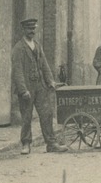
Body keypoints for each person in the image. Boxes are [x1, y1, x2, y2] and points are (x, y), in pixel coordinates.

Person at [10, 18, 67, 154]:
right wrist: (23, 90)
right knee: (26, 117)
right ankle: (26, 144)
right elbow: (17, 71)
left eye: (33, 29)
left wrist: (50, 81)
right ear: (23, 30)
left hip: (40, 85)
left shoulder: (37, 45)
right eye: (29, 29)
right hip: (27, 87)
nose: (32, 31)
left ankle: (51, 143)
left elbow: (44, 65)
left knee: (46, 113)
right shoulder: (18, 48)